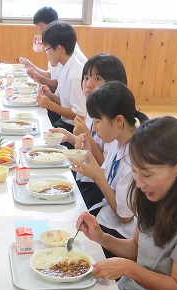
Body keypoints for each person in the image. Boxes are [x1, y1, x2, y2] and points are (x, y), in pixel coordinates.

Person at [79, 116, 177, 290]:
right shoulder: (152, 193)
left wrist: (128, 268)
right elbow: (137, 248)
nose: (139, 183)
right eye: (134, 172)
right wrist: (101, 237)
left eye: (147, 174)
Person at [68, 81, 146, 240]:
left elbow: (124, 216)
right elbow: (106, 173)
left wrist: (98, 176)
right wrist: (87, 152)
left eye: (97, 121)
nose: (94, 128)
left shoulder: (137, 156)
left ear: (119, 120)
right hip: (106, 215)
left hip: (121, 233)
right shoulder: (118, 139)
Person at [50, 53, 129, 210]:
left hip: (100, 187)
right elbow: (91, 148)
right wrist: (71, 137)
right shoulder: (93, 107)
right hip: (91, 177)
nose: (88, 84)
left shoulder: (114, 122)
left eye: (97, 78)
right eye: (86, 78)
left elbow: (103, 163)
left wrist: (86, 134)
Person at [19, 6, 87, 92]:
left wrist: (39, 78)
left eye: (42, 28)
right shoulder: (56, 46)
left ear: (53, 25)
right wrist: (31, 66)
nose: (40, 32)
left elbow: (56, 84)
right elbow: (52, 76)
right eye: (37, 28)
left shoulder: (64, 49)